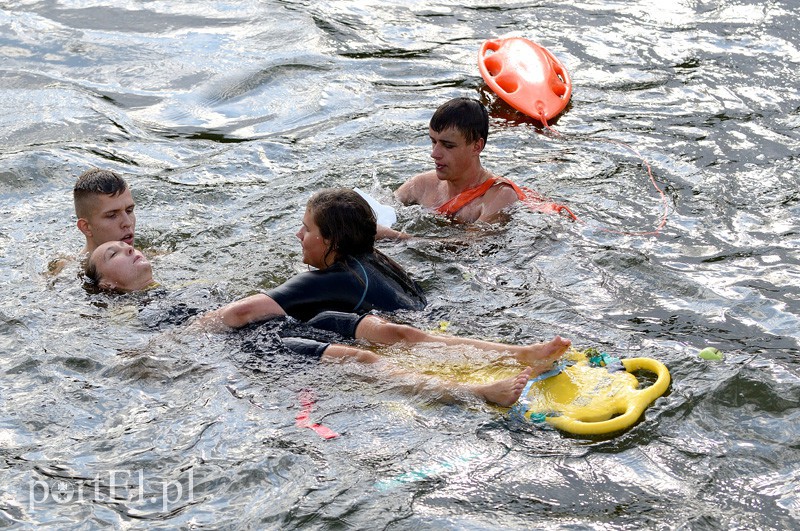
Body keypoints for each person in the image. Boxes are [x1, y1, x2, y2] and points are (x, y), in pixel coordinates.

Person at [85, 240, 572, 407]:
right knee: (360, 358)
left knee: (395, 332)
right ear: (107, 285)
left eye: (128, 244)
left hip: (290, 322)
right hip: (259, 347)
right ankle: (476, 392)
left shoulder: (182, 287)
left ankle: (521, 352)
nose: (128, 247)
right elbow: (167, 349)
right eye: (114, 254)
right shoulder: (141, 313)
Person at [198, 188, 427, 328]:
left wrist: (184, 334)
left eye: (307, 230)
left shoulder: (332, 280)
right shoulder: (374, 258)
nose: (298, 235)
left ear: (332, 241)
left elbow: (240, 312)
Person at [376, 97, 573, 239]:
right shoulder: (420, 185)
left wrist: (394, 237)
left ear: (477, 146)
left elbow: (465, 248)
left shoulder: (499, 197)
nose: (434, 153)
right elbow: (377, 210)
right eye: (433, 142)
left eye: (448, 145)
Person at [74, 168, 136, 256]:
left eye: (129, 211)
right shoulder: (68, 269)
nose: (128, 223)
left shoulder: (149, 258)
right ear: (86, 227)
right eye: (112, 215)